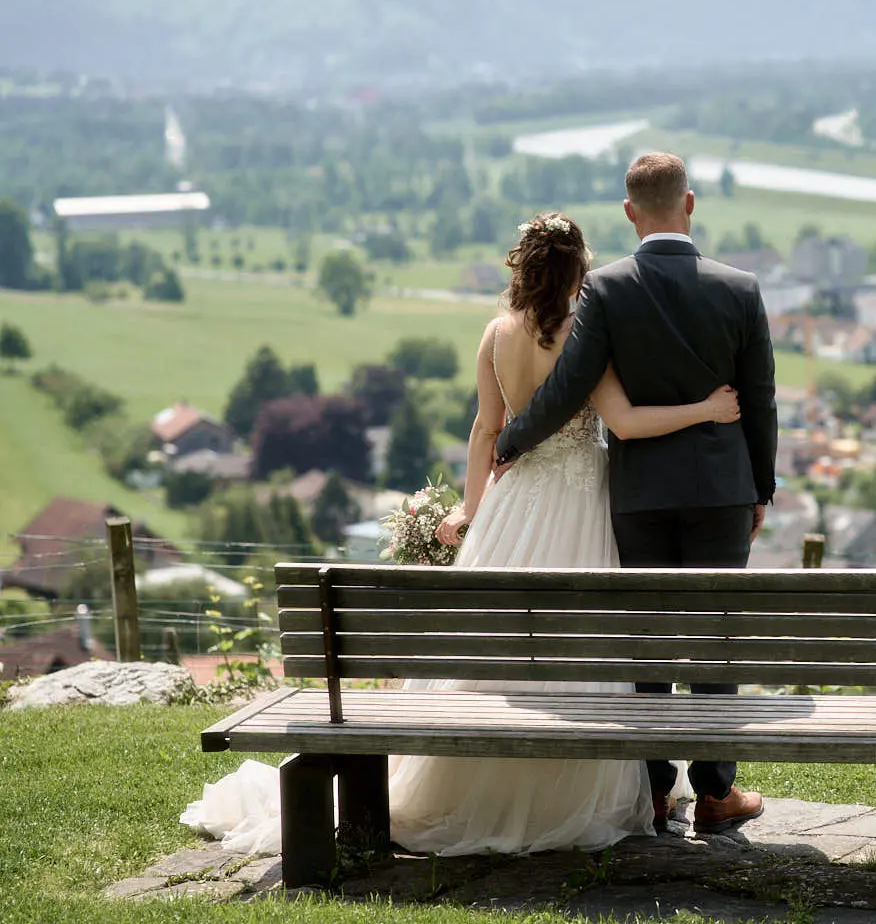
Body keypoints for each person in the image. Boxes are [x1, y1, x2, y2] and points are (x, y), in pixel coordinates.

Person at [181, 210, 743, 857]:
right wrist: (707, 408)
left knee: (498, 647)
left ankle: (474, 787)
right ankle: (589, 795)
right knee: (584, 647)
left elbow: (485, 430)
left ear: (522, 265)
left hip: (514, 506)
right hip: (584, 503)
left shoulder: (498, 332)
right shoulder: (588, 332)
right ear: (578, 269)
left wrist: (473, 513)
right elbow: (621, 420)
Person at [492, 152, 778, 836]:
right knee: (714, 641)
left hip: (640, 494)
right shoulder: (740, 288)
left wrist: (510, 442)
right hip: (719, 494)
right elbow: (761, 403)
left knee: (648, 643)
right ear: (689, 203)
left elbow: (566, 390)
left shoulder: (609, 289)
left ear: (629, 212)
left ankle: (654, 792)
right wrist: (759, 488)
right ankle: (715, 794)